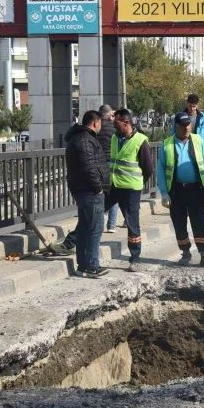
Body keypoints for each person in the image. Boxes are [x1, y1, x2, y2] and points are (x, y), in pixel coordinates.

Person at [158, 112, 204, 268]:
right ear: (175, 126)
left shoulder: (198, 141)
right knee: (179, 223)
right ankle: (185, 252)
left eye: (188, 125)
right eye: (183, 125)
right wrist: (164, 193)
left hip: (196, 189)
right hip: (176, 191)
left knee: (199, 222)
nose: (186, 128)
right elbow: (161, 170)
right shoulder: (167, 144)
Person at [106, 108, 153, 272]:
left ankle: (135, 258)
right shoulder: (114, 138)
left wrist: (138, 182)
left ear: (126, 123)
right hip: (114, 186)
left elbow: (148, 169)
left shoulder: (141, 141)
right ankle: (71, 242)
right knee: (95, 211)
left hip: (131, 189)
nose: (113, 124)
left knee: (132, 224)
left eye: (116, 122)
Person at [64, 110, 108, 278]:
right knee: (94, 229)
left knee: (85, 227)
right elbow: (88, 167)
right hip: (89, 191)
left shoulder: (80, 138)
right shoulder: (85, 140)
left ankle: (84, 265)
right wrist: (98, 187)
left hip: (83, 190)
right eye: (100, 124)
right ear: (95, 123)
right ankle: (90, 266)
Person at [97, 104, 120, 233]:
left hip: (99, 163)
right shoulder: (114, 128)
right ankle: (111, 225)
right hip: (112, 162)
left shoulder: (97, 128)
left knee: (100, 193)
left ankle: (100, 223)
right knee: (113, 192)